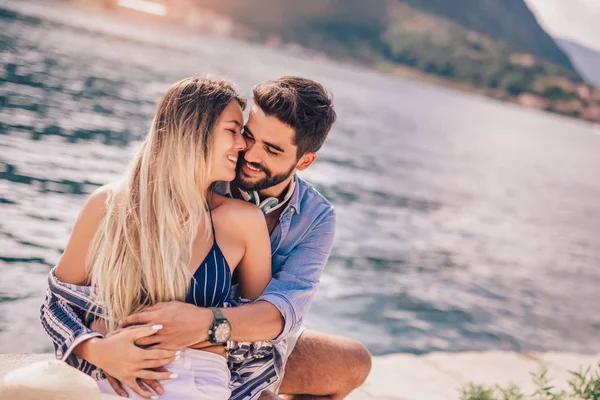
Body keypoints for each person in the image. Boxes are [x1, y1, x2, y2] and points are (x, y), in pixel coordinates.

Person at [41, 76, 372, 400]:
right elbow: (64, 297)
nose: (248, 152)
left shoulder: (313, 218)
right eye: (245, 134)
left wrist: (205, 328)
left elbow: (280, 314)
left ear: (305, 161)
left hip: (235, 343)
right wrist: (97, 347)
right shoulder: (197, 178)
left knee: (351, 362)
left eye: (271, 150)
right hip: (159, 355)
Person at [44, 76, 273, 399]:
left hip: (199, 381)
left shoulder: (243, 221)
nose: (242, 145)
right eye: (232, 131)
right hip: (111, 376)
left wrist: (200, 332)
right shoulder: (109, 206)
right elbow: (57, 303)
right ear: (193, 132)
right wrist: (95, 350)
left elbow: (260, 331)